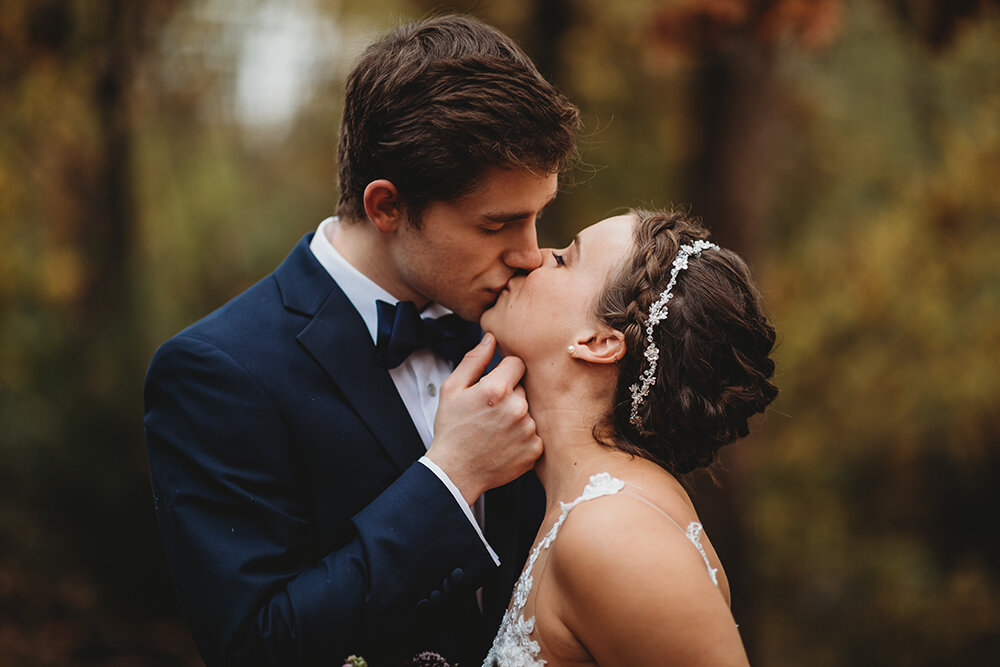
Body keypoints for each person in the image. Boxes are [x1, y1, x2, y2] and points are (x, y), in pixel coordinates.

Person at [144, 16, 578, 666]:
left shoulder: (519, 327)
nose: (531, 254)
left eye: (537, 217)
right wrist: (453, 476)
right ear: (386, 206)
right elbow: (255, 646)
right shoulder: (216, 372)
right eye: (498, 224)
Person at [480, 208, 778, 665]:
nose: (535, 256)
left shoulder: (615, 533)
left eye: (564, 259)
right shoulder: (589, 513)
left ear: (599, 342)